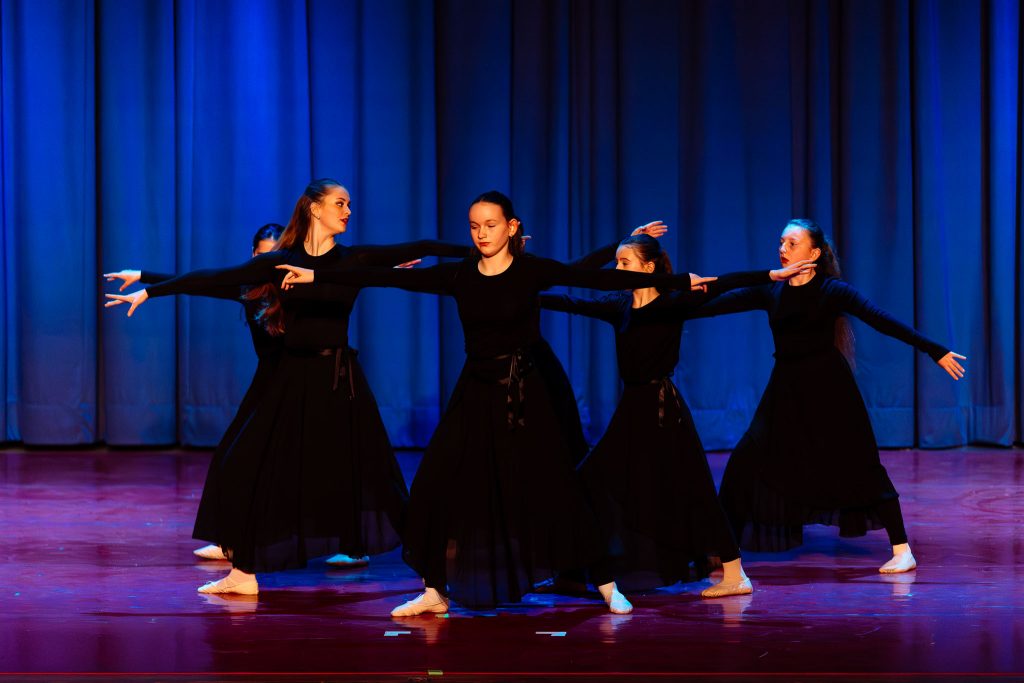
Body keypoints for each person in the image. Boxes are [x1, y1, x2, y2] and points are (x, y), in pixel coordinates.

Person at [275, 191, 728, 615]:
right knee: (435, 484)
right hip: (475, 389)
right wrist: (319, 274)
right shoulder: (459, 274)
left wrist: (675, 281)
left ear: (511, 227)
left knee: (556, 486)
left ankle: (607, 582)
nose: (481, 234)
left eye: (490, 225)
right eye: (474, 226)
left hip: (523, 391)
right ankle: (434, 590)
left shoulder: (530, 271)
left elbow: (593, 277)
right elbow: (385, 277)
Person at [105, 178, 470, 594]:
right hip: (291, 380)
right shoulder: (281, 262)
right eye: (340, 203)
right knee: (249, 464)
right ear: (314, 208)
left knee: (377, 480)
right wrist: (150, 291)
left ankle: (431, 576)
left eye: (349, 204)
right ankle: (244, 573)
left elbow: (421, 246)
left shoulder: (353, 259)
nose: (348, 211)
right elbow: (217, 277)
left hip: (339, 380)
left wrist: (481, 251)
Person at [539, 234, 816, 598]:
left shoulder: (673, 301)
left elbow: (724, 283)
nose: (617, 269)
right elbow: (570, 301)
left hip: (663, 410)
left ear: (648, 267)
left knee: (695, 490)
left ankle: (735, 574)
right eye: (617, 263)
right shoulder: (618, 306)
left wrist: (771, 275)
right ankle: (574, 570)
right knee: (588, 482)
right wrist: (522, 291)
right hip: (631, 411)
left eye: (625, 263)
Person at [688, 219, 966, 573]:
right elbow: (714, 304)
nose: (783, 249)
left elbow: (881, 319)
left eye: (792, 243)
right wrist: (671, 297)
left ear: (815, 252)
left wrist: (933, 349)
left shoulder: (832, 290)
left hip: (829, 390)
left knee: (861, 465)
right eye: (781, 242)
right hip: (785, 390)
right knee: (744, 461)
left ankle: (902, 549)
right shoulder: (771, 291)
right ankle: (723, 548)